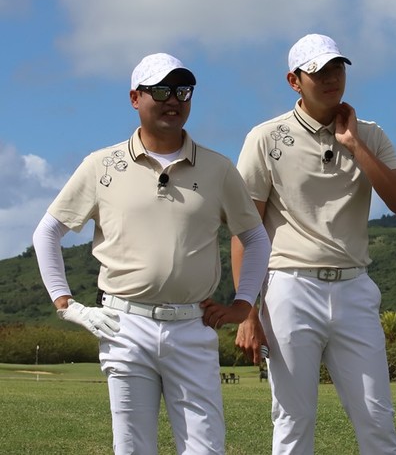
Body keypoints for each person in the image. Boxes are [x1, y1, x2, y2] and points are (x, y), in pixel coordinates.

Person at [32, 52, 271, 455]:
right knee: (132, 447)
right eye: (160, 90)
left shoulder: (217, 168)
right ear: (134, 98)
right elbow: (47, 233)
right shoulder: (100, 165)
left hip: (193, 325)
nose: (173, 99)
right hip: (124, 325)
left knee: (206, 447)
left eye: (182, 90)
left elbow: (256, 237)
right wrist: (67, 305)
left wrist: (243, 304)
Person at [231, 33, 396, 454]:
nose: (330, 78)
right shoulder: (265, 138)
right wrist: (247, 311)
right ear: (294, 81)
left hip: (354, 286)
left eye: (336, 68)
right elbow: (247, 229)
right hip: (289, 287)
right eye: (317, 72)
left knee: (377, 417)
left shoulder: (370, 135)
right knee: (293, 418)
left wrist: (353, 144)